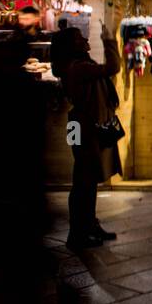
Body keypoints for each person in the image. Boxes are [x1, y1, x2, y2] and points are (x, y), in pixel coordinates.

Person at [51, 23, 122, 250]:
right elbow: (113, 67)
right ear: (72, 45)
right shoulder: (79, 67)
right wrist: (109, 39)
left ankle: (88, 226)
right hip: (83, 126)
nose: (84, 39)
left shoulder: (74, 65)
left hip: (77, 124)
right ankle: (78, 232)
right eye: (79, 37)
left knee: (84, 179)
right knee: (83, 180)